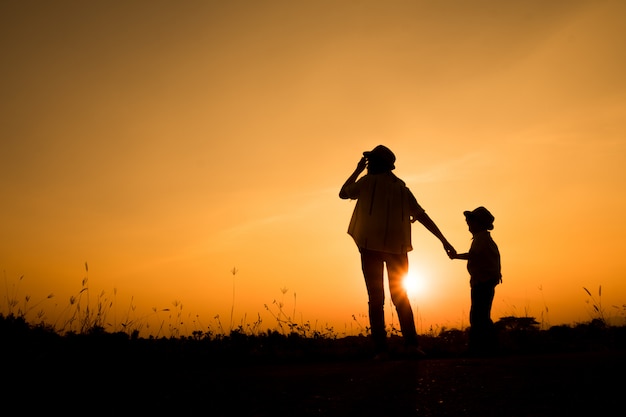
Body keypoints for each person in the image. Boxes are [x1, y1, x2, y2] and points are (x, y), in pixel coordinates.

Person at [339, 145, 456, 359]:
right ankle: (410, 345)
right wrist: (444, 240)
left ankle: (382, 350)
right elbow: (421, 216)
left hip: (372, 248)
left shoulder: (367, 183)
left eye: (371, 161)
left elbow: (343, 193)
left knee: (376, 299)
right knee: (399, 297)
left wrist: (357, 170)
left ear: (379, 164)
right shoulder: (401, 188)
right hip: (396, 250)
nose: (369, 165)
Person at [450, 206, 502, 356]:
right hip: (484, 281)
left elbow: (473, 255)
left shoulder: (481, 239)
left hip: (482, 281)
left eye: (470, 223)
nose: (469, 227)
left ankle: (479, 348)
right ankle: (488, 347)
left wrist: (455, 256)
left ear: (479, 224)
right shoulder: (484, 239)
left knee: (478, 316)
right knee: (482, 315)